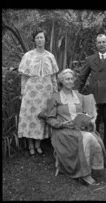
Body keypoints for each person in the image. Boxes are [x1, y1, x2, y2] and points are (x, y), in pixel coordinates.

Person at [40, 69, 104, 185]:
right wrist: (63, 124)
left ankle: (90, 167)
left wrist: (87, 120)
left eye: (71, 79)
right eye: (67, 79)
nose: (70, 81)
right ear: (61, 81)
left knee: (93, 138)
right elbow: (49, 118)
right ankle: (85, 175)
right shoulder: (55, 97)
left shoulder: (78, 96)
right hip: (62, 130)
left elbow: (85, 113)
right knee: (86, 138)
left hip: (79, 128)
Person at [18, 27, 59, 156]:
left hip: (46, 91)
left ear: (45, 40)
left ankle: (38, 144)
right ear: (34, 40)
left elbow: (53, 77)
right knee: (31, 116)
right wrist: (23, 91)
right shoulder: (28, 55)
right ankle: (30, 144)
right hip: (31, 90)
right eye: (37, 38)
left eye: (42, 37)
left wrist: (55, 91)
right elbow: (24, 77)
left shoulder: (50, 56)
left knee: (42, 116)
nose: (40, 40)